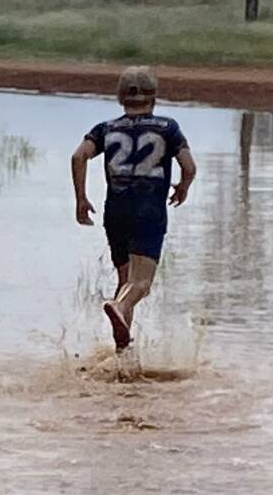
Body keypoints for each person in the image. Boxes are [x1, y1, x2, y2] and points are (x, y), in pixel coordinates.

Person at [70, 67, 197, 352]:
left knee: (125, 278)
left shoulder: (106, 128)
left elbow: (79, 156)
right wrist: (183, 188)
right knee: (141, 283)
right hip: (149, 210)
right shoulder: (168, 128)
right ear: (154, 97)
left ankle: (122, 351)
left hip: (115, 211)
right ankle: (120, 306)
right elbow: (188, 166)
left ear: (120, 98)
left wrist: (81, 198)